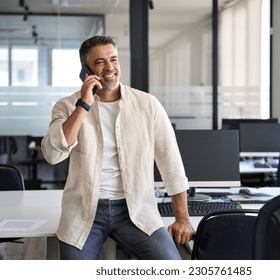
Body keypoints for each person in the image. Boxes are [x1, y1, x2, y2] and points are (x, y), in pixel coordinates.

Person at [41, 35, 193, 260]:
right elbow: (53, 155)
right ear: (86, 69)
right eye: (100, 62)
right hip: (84, 212)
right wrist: (83, 105)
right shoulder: (66, 106)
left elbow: (170, 162)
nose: (110, 67)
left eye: (113, 59)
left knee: (172, 266)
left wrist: (182, 217)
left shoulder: (147, 104)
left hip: (136, 210)